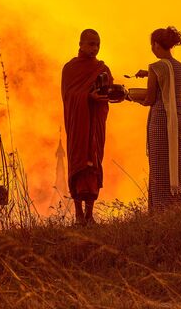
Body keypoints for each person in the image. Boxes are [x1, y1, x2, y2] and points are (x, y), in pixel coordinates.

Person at [132, 27, 181, 213]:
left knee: (159, 165)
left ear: (156, 44)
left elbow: (150, 98)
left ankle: (160, 209)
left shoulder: (155, 67)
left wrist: (130, 96)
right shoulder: (180, 66)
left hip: (162, 117)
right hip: (179, 116)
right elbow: (169, 79)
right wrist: (149, 74)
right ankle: (177, 206)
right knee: (177, 161)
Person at [61, 29, 112, 225]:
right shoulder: (70, 69)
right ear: (80, 44)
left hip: (95, 123)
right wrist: (87, 96)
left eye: (98, 44)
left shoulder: (102, 68)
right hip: (78, 123)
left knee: (93, 161)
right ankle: (78, 213)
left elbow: (107, 88)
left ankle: (90, 214)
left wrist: (109, 94)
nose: (95, 48)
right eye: (91, 44)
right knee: (78, 162)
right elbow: (68, 96)